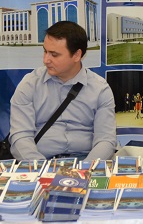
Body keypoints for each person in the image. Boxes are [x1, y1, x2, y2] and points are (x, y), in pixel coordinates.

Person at [9, 21, 116, 161]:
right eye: (45, 51)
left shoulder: (100, 89)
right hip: (41, 162)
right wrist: (41, 169)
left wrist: (85, 169)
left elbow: (106, 140)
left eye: (54, 54)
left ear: (77, 55)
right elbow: (20, 136)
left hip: (86, 162)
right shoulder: (29, 84)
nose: (46, 60)